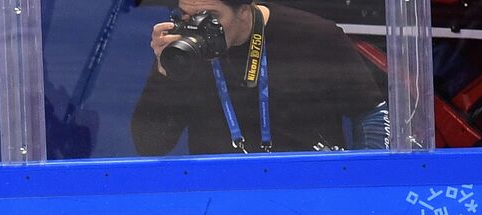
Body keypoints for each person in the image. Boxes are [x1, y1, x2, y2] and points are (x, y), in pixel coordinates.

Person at [130, 1, 389, 155]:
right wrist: (167, 74)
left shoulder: (315, 36)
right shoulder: (186, 48)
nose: (197, 28)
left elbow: (371, 113)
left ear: (244, 10)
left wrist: (364, 181)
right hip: (223, 194)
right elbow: (150, 145)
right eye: (187, 15)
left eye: (210, 18)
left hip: (307, 190)